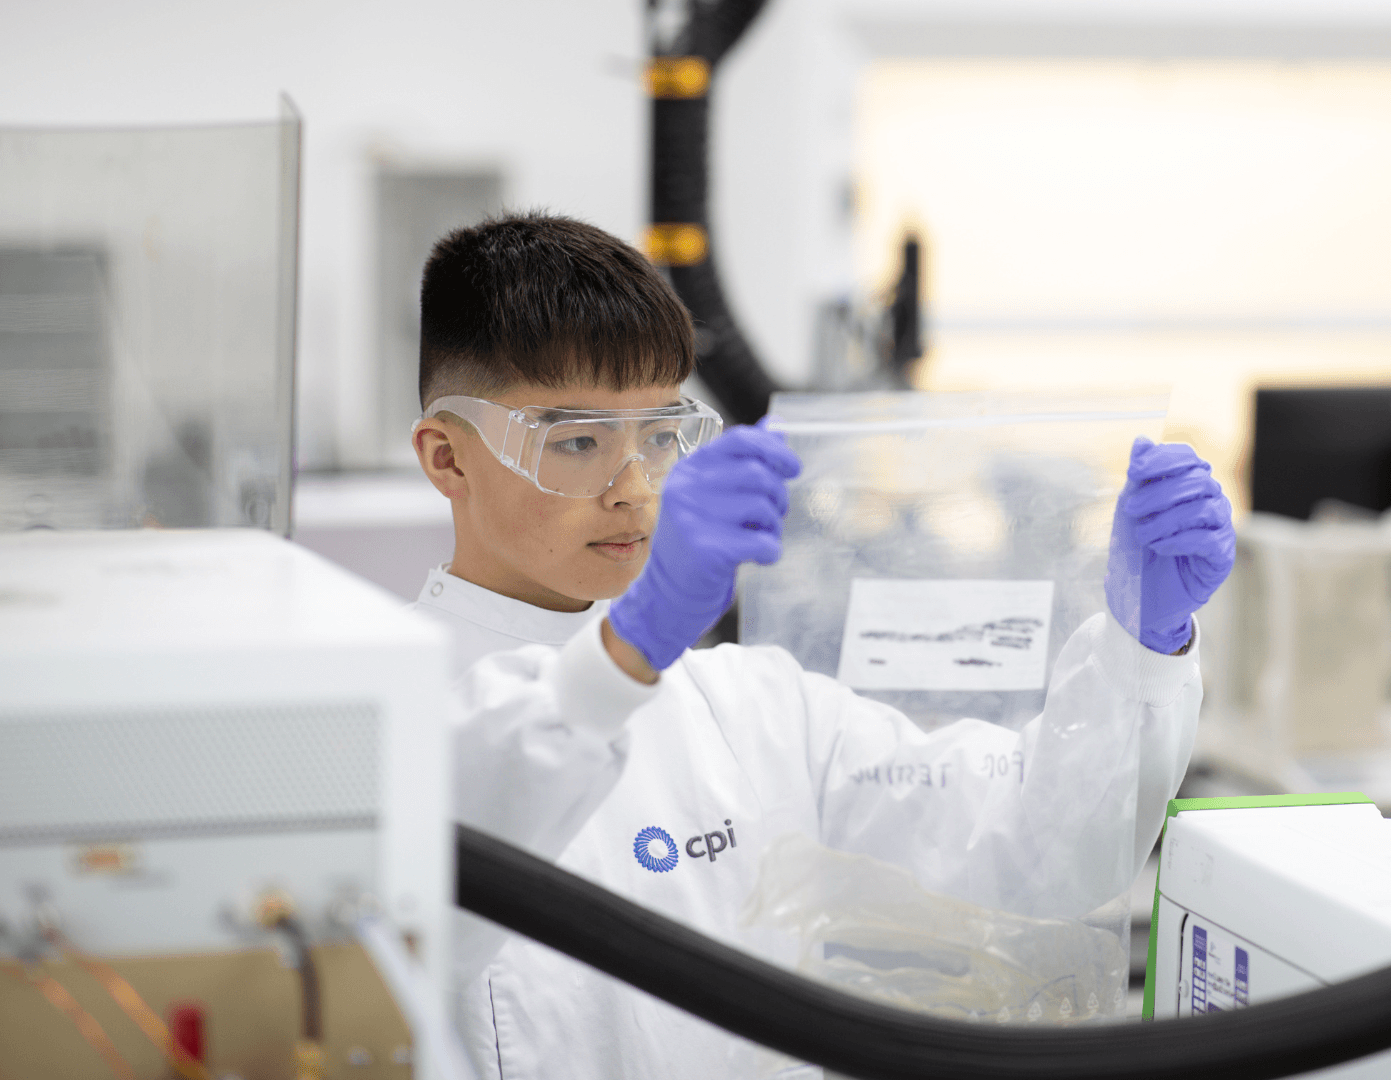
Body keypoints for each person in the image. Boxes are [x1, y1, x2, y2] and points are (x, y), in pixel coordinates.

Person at [405, 212, 1235, 1078]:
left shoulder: (753, 707)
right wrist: (634, 641)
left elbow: (1037, 851)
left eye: (658, 438)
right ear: (447, 458)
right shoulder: (383, 714)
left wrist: (1145, 640)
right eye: (577, 443)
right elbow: (451, 858)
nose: (633, 489)